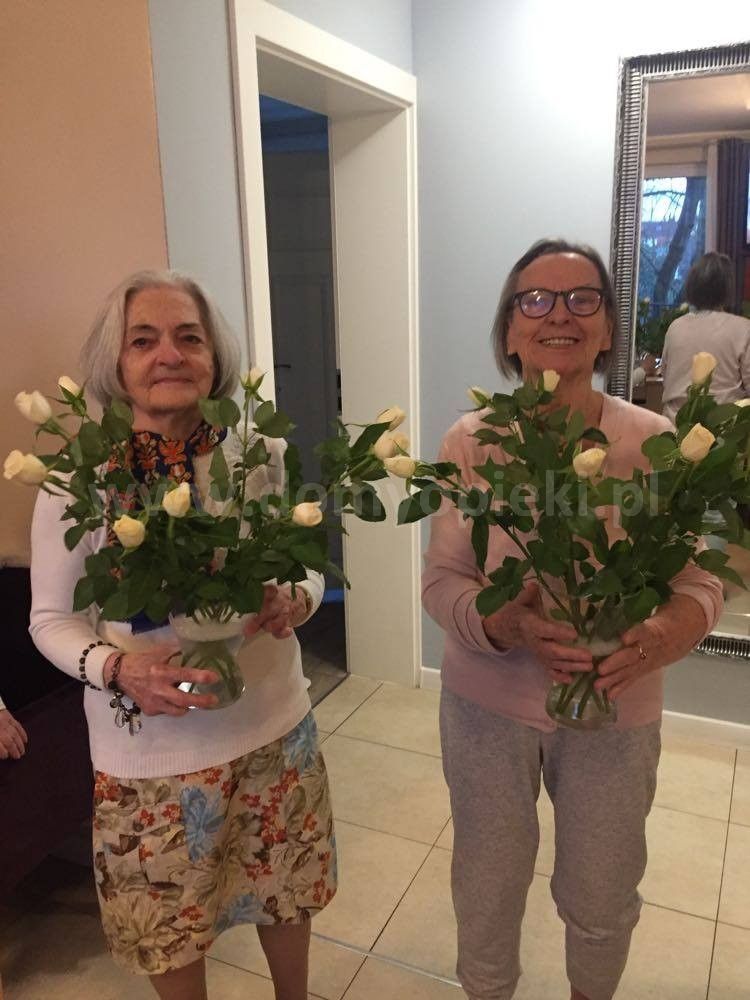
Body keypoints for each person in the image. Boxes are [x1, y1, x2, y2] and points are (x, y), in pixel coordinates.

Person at [422, 239, 723, 1000]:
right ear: (509, 332)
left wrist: (662, 637)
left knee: (602, 893)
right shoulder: (470, 442)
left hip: (615, 710)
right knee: (487, 885)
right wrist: (503, 624)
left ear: (608, 328)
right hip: (487, 707)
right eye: (535, 299)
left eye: (582, 298)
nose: (559, 314)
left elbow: (699, 583)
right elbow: (443, 582)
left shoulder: (655, 444)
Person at [29, 270, 336, 1000]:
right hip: (150, 757)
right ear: (117, 363)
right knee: (169, 928)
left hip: (274, 728)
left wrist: (297, 597)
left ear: (213, 356)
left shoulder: (258, 454)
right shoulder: (79, 480)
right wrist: (119, 669)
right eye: (144, 340)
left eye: (188, 337)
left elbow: (304, 563)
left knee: (286, 891)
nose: (169, 354)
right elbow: (50, 620)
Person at [661, 251, 750, 422]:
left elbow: (667, 378)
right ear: (727, 288)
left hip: (674, 429)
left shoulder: (675, 328)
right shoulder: (743, 329)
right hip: (726, 431)